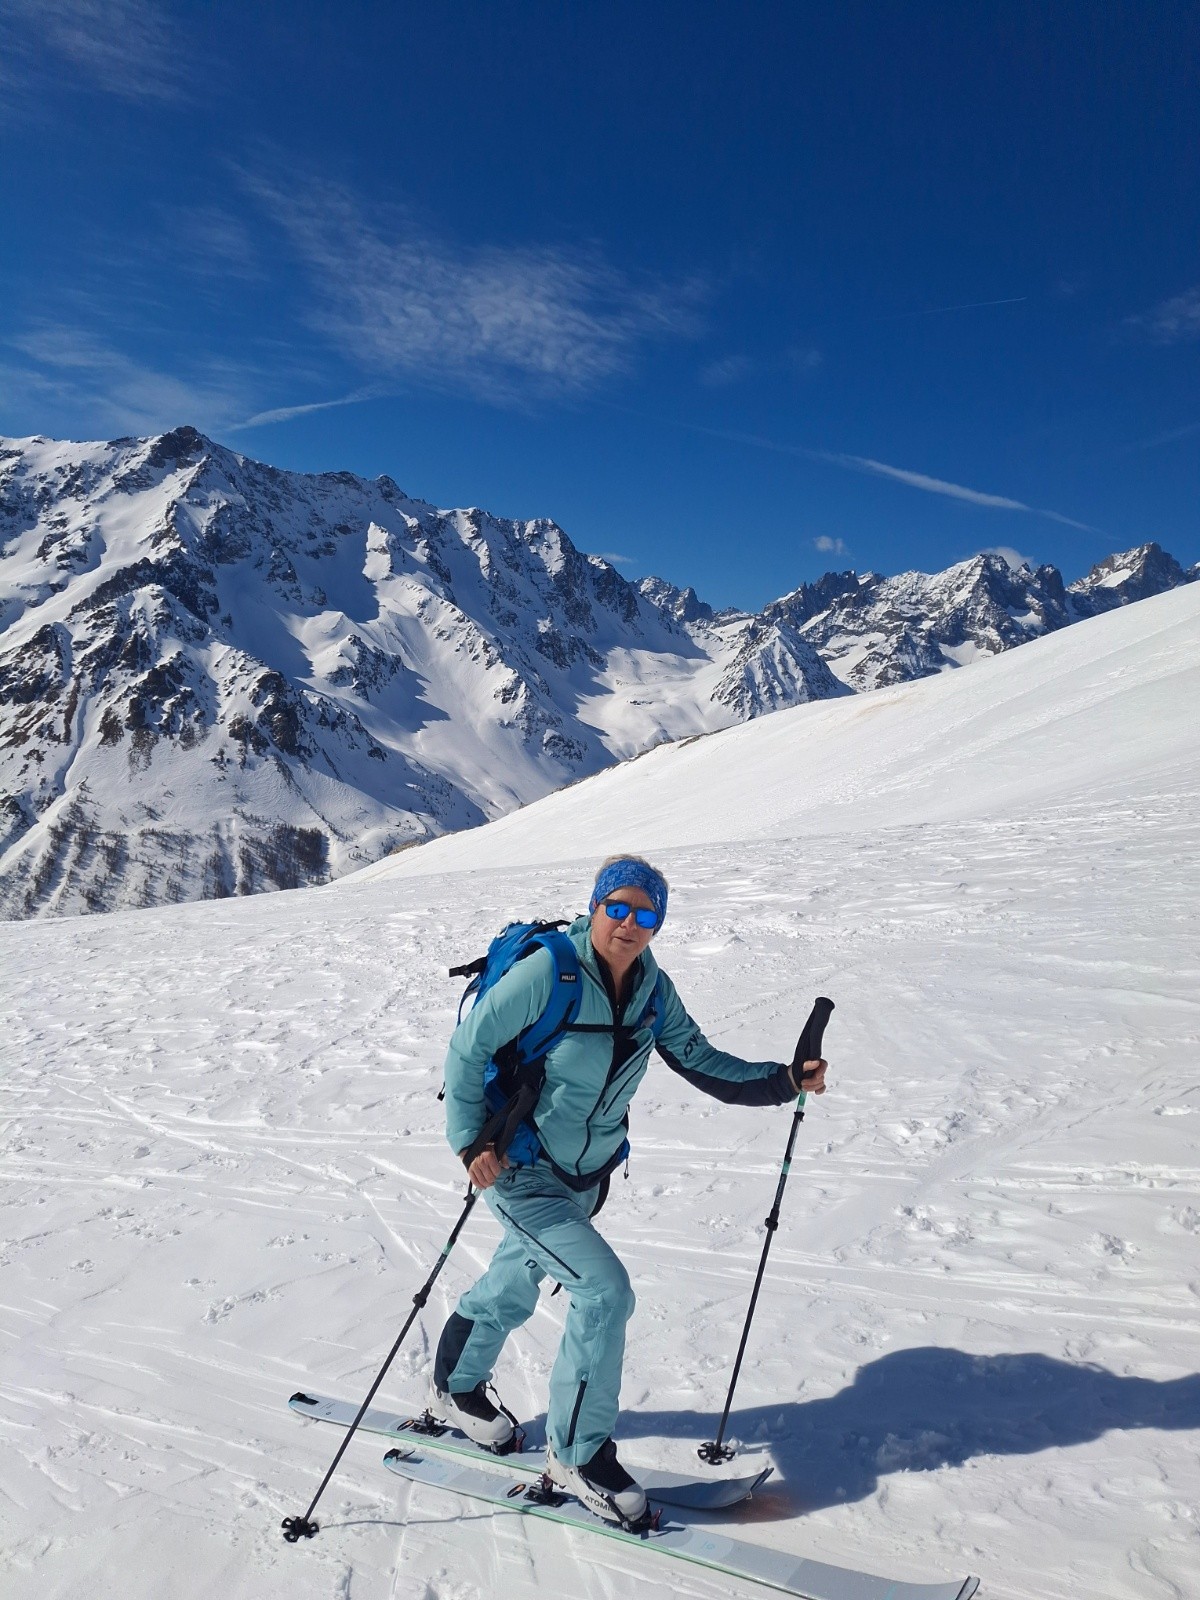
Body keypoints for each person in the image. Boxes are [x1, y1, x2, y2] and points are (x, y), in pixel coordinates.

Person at [431, 854, 828, 1526]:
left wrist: (783, 1080)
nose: (630, 923)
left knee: (517, 1278)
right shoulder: (546, 976)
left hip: (585, 1177)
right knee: (603, 1290)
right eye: (618, 907)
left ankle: (455, 1386)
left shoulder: (652, 989)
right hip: (518, 1170)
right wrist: (471, 1143)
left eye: (647, 914)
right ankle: (578, 1456)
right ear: (594, 906)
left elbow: (700, 1060)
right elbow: (469, 1051)